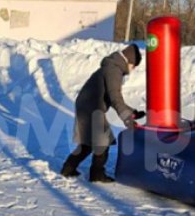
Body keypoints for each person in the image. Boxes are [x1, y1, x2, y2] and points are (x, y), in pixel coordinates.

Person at [60, 44, 145, 183]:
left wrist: (132, 113)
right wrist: (128, 120)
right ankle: (97, 175)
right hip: (91, 107)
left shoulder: (112, 67)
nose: (133, 69)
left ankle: (68, 168)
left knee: (88, 143)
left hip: (86, 105)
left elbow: (113, 98)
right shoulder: (114, 71)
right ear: (129, 61)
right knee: (103, 142)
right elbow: (115, 98)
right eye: (134, 65)